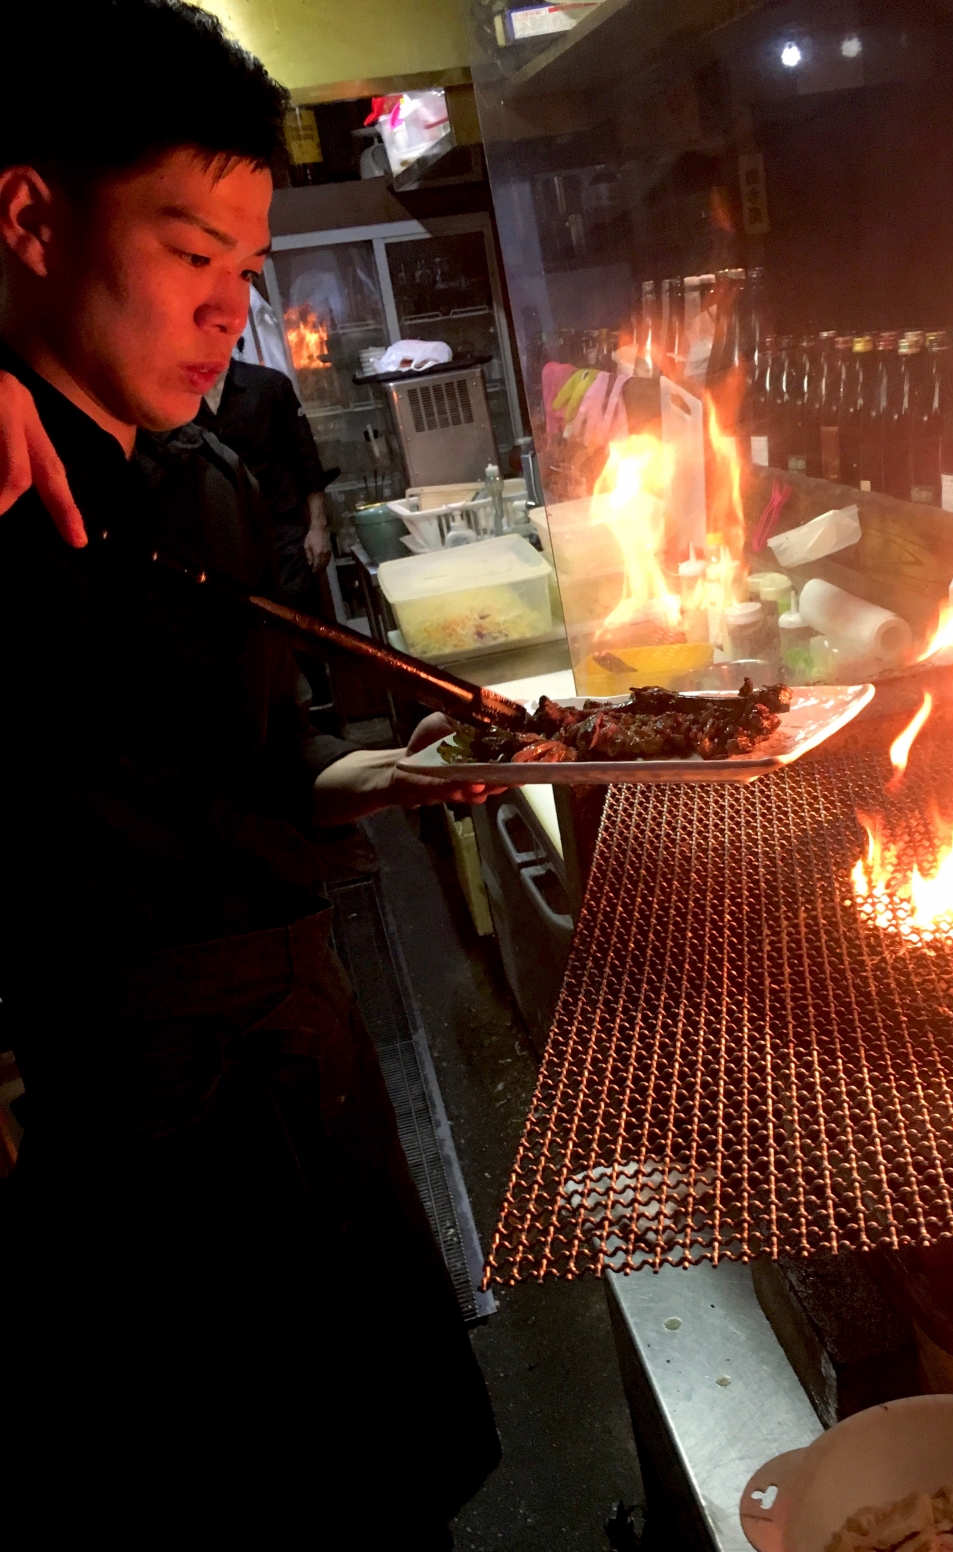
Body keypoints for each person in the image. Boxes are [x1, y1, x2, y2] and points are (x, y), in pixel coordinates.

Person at [0, 2, 500, 1537]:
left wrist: (391, 770)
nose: (230, 310)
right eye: (185, 250)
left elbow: (266, 781)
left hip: (311, 1059)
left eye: (244, 267)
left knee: (403, 1469)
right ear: (28, 217)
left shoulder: (210, 481)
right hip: (134, 1140)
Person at [198, 352, 335, 697]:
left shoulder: (268, 385)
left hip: (284, 534)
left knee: (300, 631)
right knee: (247, 641)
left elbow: (306, 461)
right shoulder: (175, 396)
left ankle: (322, 723)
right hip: (221, 541)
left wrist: (318, 528)